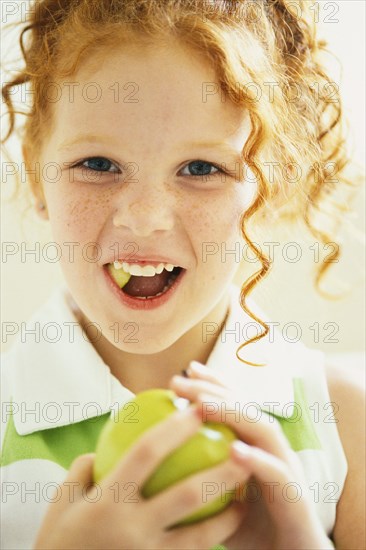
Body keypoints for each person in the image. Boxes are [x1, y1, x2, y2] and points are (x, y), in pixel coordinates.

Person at [1, 0, 364, 549]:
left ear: (270, 190)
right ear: (36, 174)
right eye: (97, 165)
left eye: (202, 168)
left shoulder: (346, 425)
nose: (144, 218)